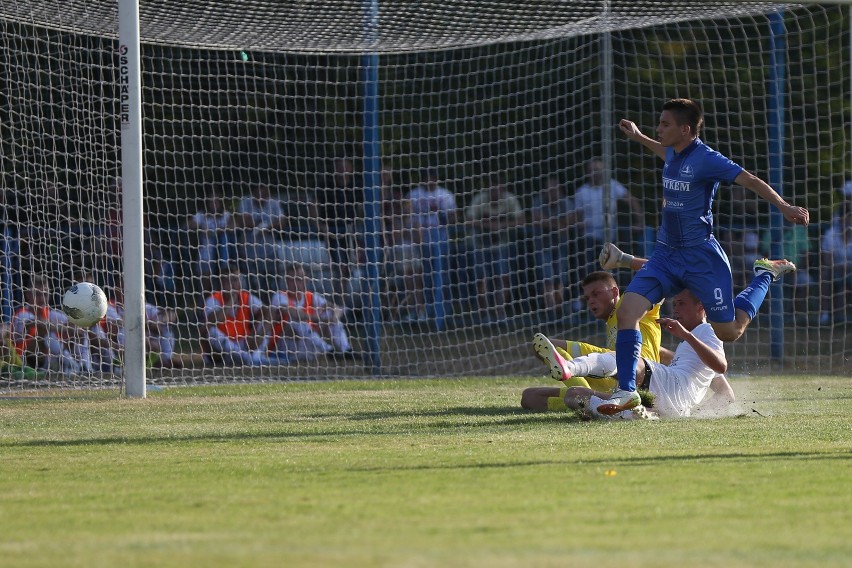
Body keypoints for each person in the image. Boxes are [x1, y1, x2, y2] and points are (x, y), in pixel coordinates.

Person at [603, 97, 808, 415]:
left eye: (664, 124)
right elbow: (665, 154)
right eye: (658, 123)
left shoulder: (708, 159)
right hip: (665, 255)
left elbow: (749, 179)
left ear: (685, 129)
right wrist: (639, 136)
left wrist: (784, 206)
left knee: (729, 332)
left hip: (701, 258)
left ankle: (765, 272)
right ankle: (627, 391)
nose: (659, 129)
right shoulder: (673, 151)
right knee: (628, 310)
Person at [522, 289, 735, 419]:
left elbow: (720, 365)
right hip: (671, 406)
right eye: (675, 303)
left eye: (681, 303)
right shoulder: (694, 352)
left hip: (664, 384)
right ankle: (632, 414)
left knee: (624, 358)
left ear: (701, 307)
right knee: (574, 396)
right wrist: (695, 415)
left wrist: (686, 335)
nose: (675, 308)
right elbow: (726, 394)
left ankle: (571, 367)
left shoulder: (707, 331)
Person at [532, 268, 662, 393]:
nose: (591, 301)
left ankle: (587, 397)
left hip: (643, 374)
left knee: (545, 345)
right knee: (531, 396)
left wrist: (625, 259)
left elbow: (658, 271)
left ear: (615, 292)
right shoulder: (612, 323)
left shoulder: (632, 303)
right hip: (617, 379)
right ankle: (587, 397)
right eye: (587, 298)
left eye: (596, 294)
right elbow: (660, 350)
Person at [464, 175, 525, 324]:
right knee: (481, 280)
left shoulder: (510, 199)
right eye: (492, 189)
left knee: (503, 278)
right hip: (480, 246)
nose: (495, 193)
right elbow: (468, 219)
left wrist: (502, 226)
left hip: (502, 245)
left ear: (503, 189)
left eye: (498, 189)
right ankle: (484, 314)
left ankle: (500, 313)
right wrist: (488, 227)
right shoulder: (480, 199)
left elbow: (521, 220)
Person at [267, 263, 355, 361]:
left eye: (299, 279)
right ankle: (329, 351)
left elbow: (336, 308)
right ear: (286, 281)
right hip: (284, 345)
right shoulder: (279, 297)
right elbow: (295, 315)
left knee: (331, 315)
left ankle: (346, 350)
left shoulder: (310, 296)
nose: (295, 283)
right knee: (299, 322)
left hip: (306, 344)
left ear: (305, 281)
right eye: (291, 280)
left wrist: (333, 318)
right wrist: (321, 319)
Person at [572, 159, 643, 274]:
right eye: (591, 170)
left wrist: (639, 221)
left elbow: (631, 200)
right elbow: (577, 216)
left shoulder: (612, 185)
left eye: (597, 169)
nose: (595, 172)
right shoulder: (581, 192)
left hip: (610, 235)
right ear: (587, 172)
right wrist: (579, 223)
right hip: (589, 236)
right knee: (590, 270)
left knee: (612, 269)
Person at [406, 167, 458, 323]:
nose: (429, 181)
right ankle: (424, 311)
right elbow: (407, 216)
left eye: (432, 177)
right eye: (426, 177)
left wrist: (444, 217)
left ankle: (444, 312)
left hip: (441, 241)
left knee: (443, 276)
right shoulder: (413, 195)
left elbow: (453, 217)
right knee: (424, 277)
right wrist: (415, 233)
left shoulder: (445, 195)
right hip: (420, 242)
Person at [10, 275, 89, 374]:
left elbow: (75, 322)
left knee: (79, 330)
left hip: (47, 360)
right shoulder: (22, 314)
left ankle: (85, 365)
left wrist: (75, 327)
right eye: (37, 294)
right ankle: (72, 365)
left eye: (45, 294)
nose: (42, 299)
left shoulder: (50, 313)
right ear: (28, 295)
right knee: (45, 332)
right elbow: (40, 324)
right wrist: (65, 329)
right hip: (24, 361)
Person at [202, 263, 271, 366]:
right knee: (210, 330)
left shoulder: (246, 296)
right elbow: (215, 319)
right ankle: (248, 359)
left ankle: (256, 356)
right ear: (222, 282)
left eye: (235, 280)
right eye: (228, 281)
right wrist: (232, 299)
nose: (233, 284)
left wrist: (255, 332)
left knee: (266, 321)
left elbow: (268, 312)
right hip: (223, 350)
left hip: (244, 343)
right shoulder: (213, 299)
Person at [529, 174, 578, 317]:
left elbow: (570, 221)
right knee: (547, 278)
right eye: (549, 189)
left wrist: (552, 224)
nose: (552, 192)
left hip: (561, 246)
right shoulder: (538, 201)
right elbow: (537, 219)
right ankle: (550, 310)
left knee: (560, 278)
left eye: (554, 189)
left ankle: (559, 309)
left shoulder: (566, 202)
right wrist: (558, 225)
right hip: (543, 246)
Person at [819, 202, 852, 325]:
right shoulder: (830, 235)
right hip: (834, 271)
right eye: (845, 217)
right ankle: (825, 314)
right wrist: (839, 267)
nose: (847, 221)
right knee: (825, 274)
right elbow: (827, 260)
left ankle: (841, 316)